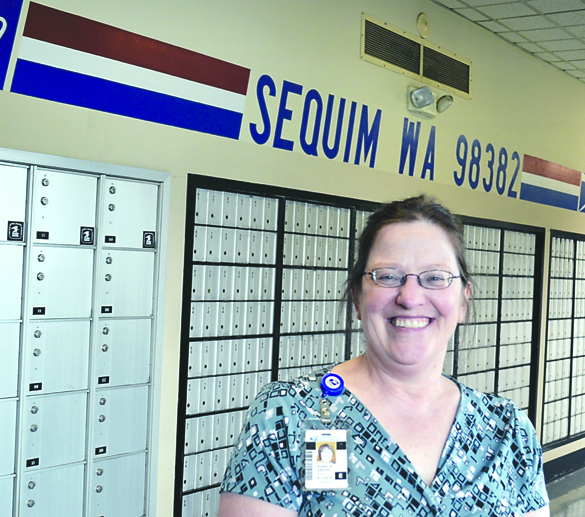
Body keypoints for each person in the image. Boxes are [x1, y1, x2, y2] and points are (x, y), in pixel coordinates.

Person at [219, 195, 550, 516]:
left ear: (463, 300)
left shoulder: (506, 430)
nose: (410, 297)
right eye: (388, 276)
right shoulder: (288, 415)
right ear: (357, 298)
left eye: (435, 278)